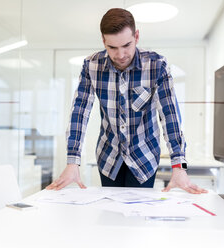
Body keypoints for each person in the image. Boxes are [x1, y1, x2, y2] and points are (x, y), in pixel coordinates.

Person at [46, 8, 207, 194]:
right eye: (112, 47)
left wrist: (180, 167)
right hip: (108, 157)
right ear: (103, 41)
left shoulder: (157, 65)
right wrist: (72, 162)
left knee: (138, 216)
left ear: (136, 36)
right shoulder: (91, 66)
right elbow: (79, 113)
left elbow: (171, 117)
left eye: (126, 45)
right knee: (111, 215)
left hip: (144, 157)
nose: (120, 55)